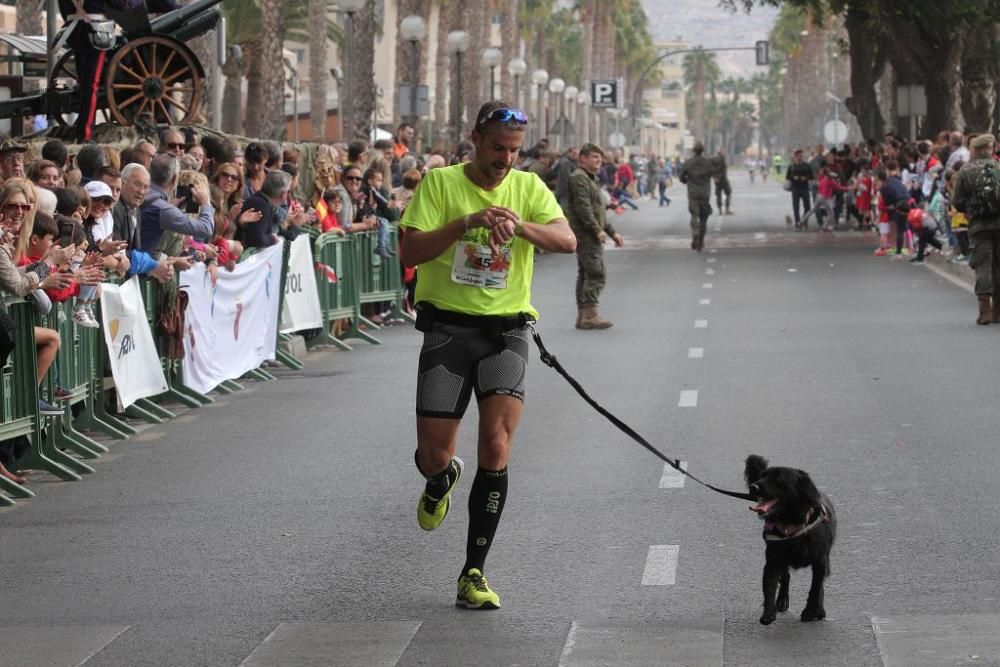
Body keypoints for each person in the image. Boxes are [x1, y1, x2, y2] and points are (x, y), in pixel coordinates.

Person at [399, 101, 575, 610]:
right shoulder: (439, 184)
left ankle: (473, 572)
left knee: (496, 447)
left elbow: (566, 240)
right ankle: (440, 478)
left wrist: (519, 227)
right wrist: (468, 222)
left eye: (514, 151)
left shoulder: (528, 188)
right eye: (498, 148)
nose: (505, 160)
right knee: (433, 453)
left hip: (507, 332)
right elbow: (410, 253)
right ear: (474, 138)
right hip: (449, 332)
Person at [565, 143, 624, 329]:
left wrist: (612, 232)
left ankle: (583, 316)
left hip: (589, 232)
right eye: (594, 157)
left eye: (600, 158)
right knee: (597, 273)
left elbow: (599, 211)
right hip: (585, 234)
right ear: (582, 159)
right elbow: (584, 209)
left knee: (585, 274)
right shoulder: (579, 179)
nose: (598, 161)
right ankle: (590, 315)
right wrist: (596, 230)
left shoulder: (591, 179)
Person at [952, 134, 1000, 324]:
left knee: (983, 265)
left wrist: (972, 211)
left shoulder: (966, 171)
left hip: (979, 226)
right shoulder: (999, 167)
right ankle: (998, 311)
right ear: (989, 149)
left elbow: (958, 201)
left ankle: (984, 311)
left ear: (976, 150)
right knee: (998, 265)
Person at [678, 141, 715, 252]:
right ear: (702, 150)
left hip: (693, 192)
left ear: (694, 150)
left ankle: (695, 231)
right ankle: (701, 240)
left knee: (694, 214)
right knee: (704, 215)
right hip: (705, 192)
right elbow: (713, 173)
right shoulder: (708, 163)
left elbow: (681, 177)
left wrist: (686, 180)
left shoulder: (689, 163)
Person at [712, 151, 733, 215]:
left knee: (718, 195)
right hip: (724, 181)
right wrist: (719, 177)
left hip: (717, 182)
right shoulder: (723, 162)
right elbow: (723, 171)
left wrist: (715, 178)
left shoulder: (714, 162)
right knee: (728, 193)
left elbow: (712, 170)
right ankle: (727, 209)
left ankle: (720, 210)